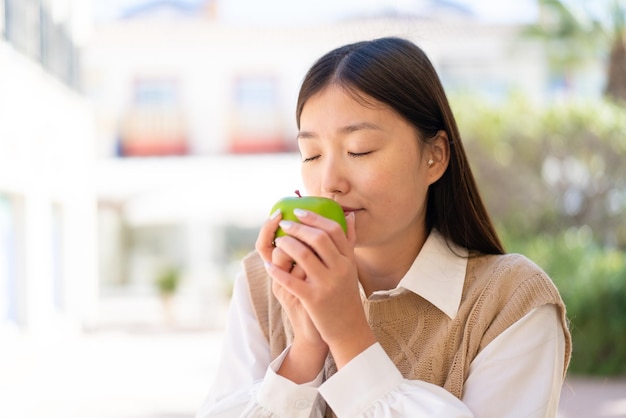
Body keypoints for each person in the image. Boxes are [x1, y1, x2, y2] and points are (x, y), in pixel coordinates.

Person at [196, 36, 572, 418]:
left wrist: (348, 337)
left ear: (435, 156)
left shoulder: (511, 302)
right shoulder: (267, 284)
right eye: (311, 154)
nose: (330, 182)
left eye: (359, 149)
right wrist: (305, 350)